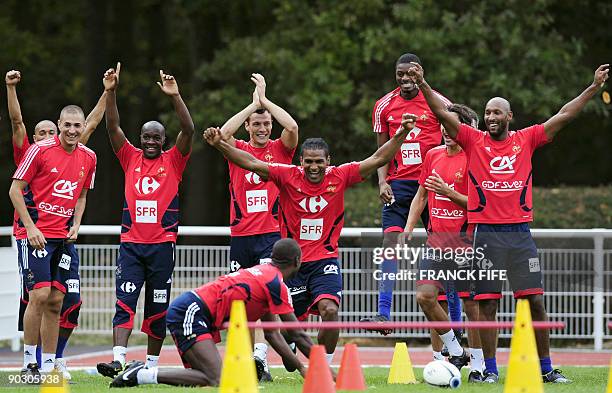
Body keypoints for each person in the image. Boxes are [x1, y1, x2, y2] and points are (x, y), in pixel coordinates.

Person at [409, 61, 609, 383]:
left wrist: (592, 88)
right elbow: (443, 114)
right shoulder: (473, 140)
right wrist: (423, 84)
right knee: (487, 306)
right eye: (487, 112)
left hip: (519, 235)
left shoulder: (526, 139)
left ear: (509, 116)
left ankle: (546, 370)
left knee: (534, 302)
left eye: (497, 112)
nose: (490, 117)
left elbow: (564, 116)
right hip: (485, 235)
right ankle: (488, 371)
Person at [205, 112, 418, 365]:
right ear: (301, 161)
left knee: (330, 311)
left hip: (325, 260)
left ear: (329, 161)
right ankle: (290, 345)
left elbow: (378, 158)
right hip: (292, 267)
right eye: (308, 162)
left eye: (319, 162)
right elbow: (250, 162)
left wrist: (402, 132)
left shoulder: (340, 176)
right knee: (289, 336)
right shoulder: (287, 175)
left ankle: (323, 366)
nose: (314, 167)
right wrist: (220, 144)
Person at [96, 63, 195, 378]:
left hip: (162, 248)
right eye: (146, 138)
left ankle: (151, 366)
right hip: (131, 246)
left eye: (156, 138)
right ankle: (118, 359)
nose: (151, 142)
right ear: (140, 139)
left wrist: (175, 96)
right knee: (124, 300)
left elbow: (189, 130)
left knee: (157, 306)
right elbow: (112, 128)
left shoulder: (174, 161)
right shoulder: (129, 157)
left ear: (163, 140)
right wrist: (111, 92)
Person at [6, 69, 106, 379]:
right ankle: (29, 364)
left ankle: (50, 364)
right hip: (35, 235)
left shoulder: (89, 157)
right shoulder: (37, 150)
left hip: (64, 238)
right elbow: (14, 190)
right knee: (38, 295)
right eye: (68, 125)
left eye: (78, 125)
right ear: (59, 126)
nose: (73, 130)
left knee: (58, 300)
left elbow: (81, 197)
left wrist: (76, 224)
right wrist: (31, 228)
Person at [109, 238, 315, 388]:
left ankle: (139, 373)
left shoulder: (266, 276)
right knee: (218, 378)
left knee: (205, 378)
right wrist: (313, 367)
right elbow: (297, 333)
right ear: (297, 261)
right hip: (190, 312)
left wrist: (300, 366)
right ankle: (141, 374)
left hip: (190, 310)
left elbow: (272, 333)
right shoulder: (274, 282)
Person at [360, 53, 460, 333]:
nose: (405, 79)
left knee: (446, 252)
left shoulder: (440, 102)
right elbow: (381, 152)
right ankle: (383, 314)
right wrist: (382, 182)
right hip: (399, 185)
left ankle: (456, 321)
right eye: (400, 74)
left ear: (420, 73)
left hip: (433, 184)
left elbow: (456, 142)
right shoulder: (383, 106)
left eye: (411, 74)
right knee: (390, 244)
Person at [218, 73, 298, 381]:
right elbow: (223, 135)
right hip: (241, 236)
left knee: (265, 297)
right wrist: (250, 106)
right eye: (257, 124)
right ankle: (248, 362)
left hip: (270, 237)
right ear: (249, 127)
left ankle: (261, 359)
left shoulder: (281, 150)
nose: (263, 129)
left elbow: (291, 127)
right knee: (242, 299)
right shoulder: (237, 149)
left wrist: (265, 101)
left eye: (266, 124)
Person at [400, 104, 484, 382]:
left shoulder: (475, 157)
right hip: (436, 242)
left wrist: (448, 192)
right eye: (444, 126)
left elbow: (480, 204)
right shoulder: (433, 154)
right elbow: (421, 195)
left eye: (453, 126)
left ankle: (479, 367)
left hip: (465, 242)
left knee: (471, 305)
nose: (447, 132)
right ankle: (454, 350)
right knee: (425, 297)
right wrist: (409, 228)